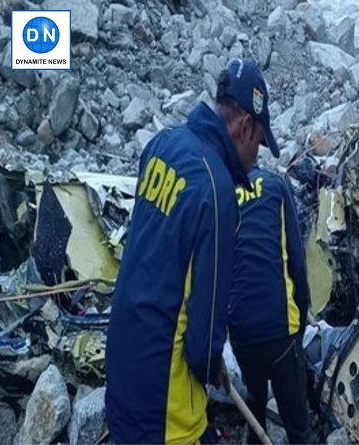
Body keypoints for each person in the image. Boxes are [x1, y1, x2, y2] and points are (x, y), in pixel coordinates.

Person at [105, 57, 280, 444]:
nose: (257, 160)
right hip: (164, 408)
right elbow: (202, 341)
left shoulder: (161, 146)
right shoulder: (217, 192)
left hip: (122, 371)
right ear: (245, 127)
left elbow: (154, 260)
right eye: (261, 146)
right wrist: (211, 357)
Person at [229, 163, 312, 444]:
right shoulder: (276, 185)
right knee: (298, 426)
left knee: (255, 411)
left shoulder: (223, 192)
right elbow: (297, 263)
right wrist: (299, 324)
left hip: (241, 335)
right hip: (279, 329)